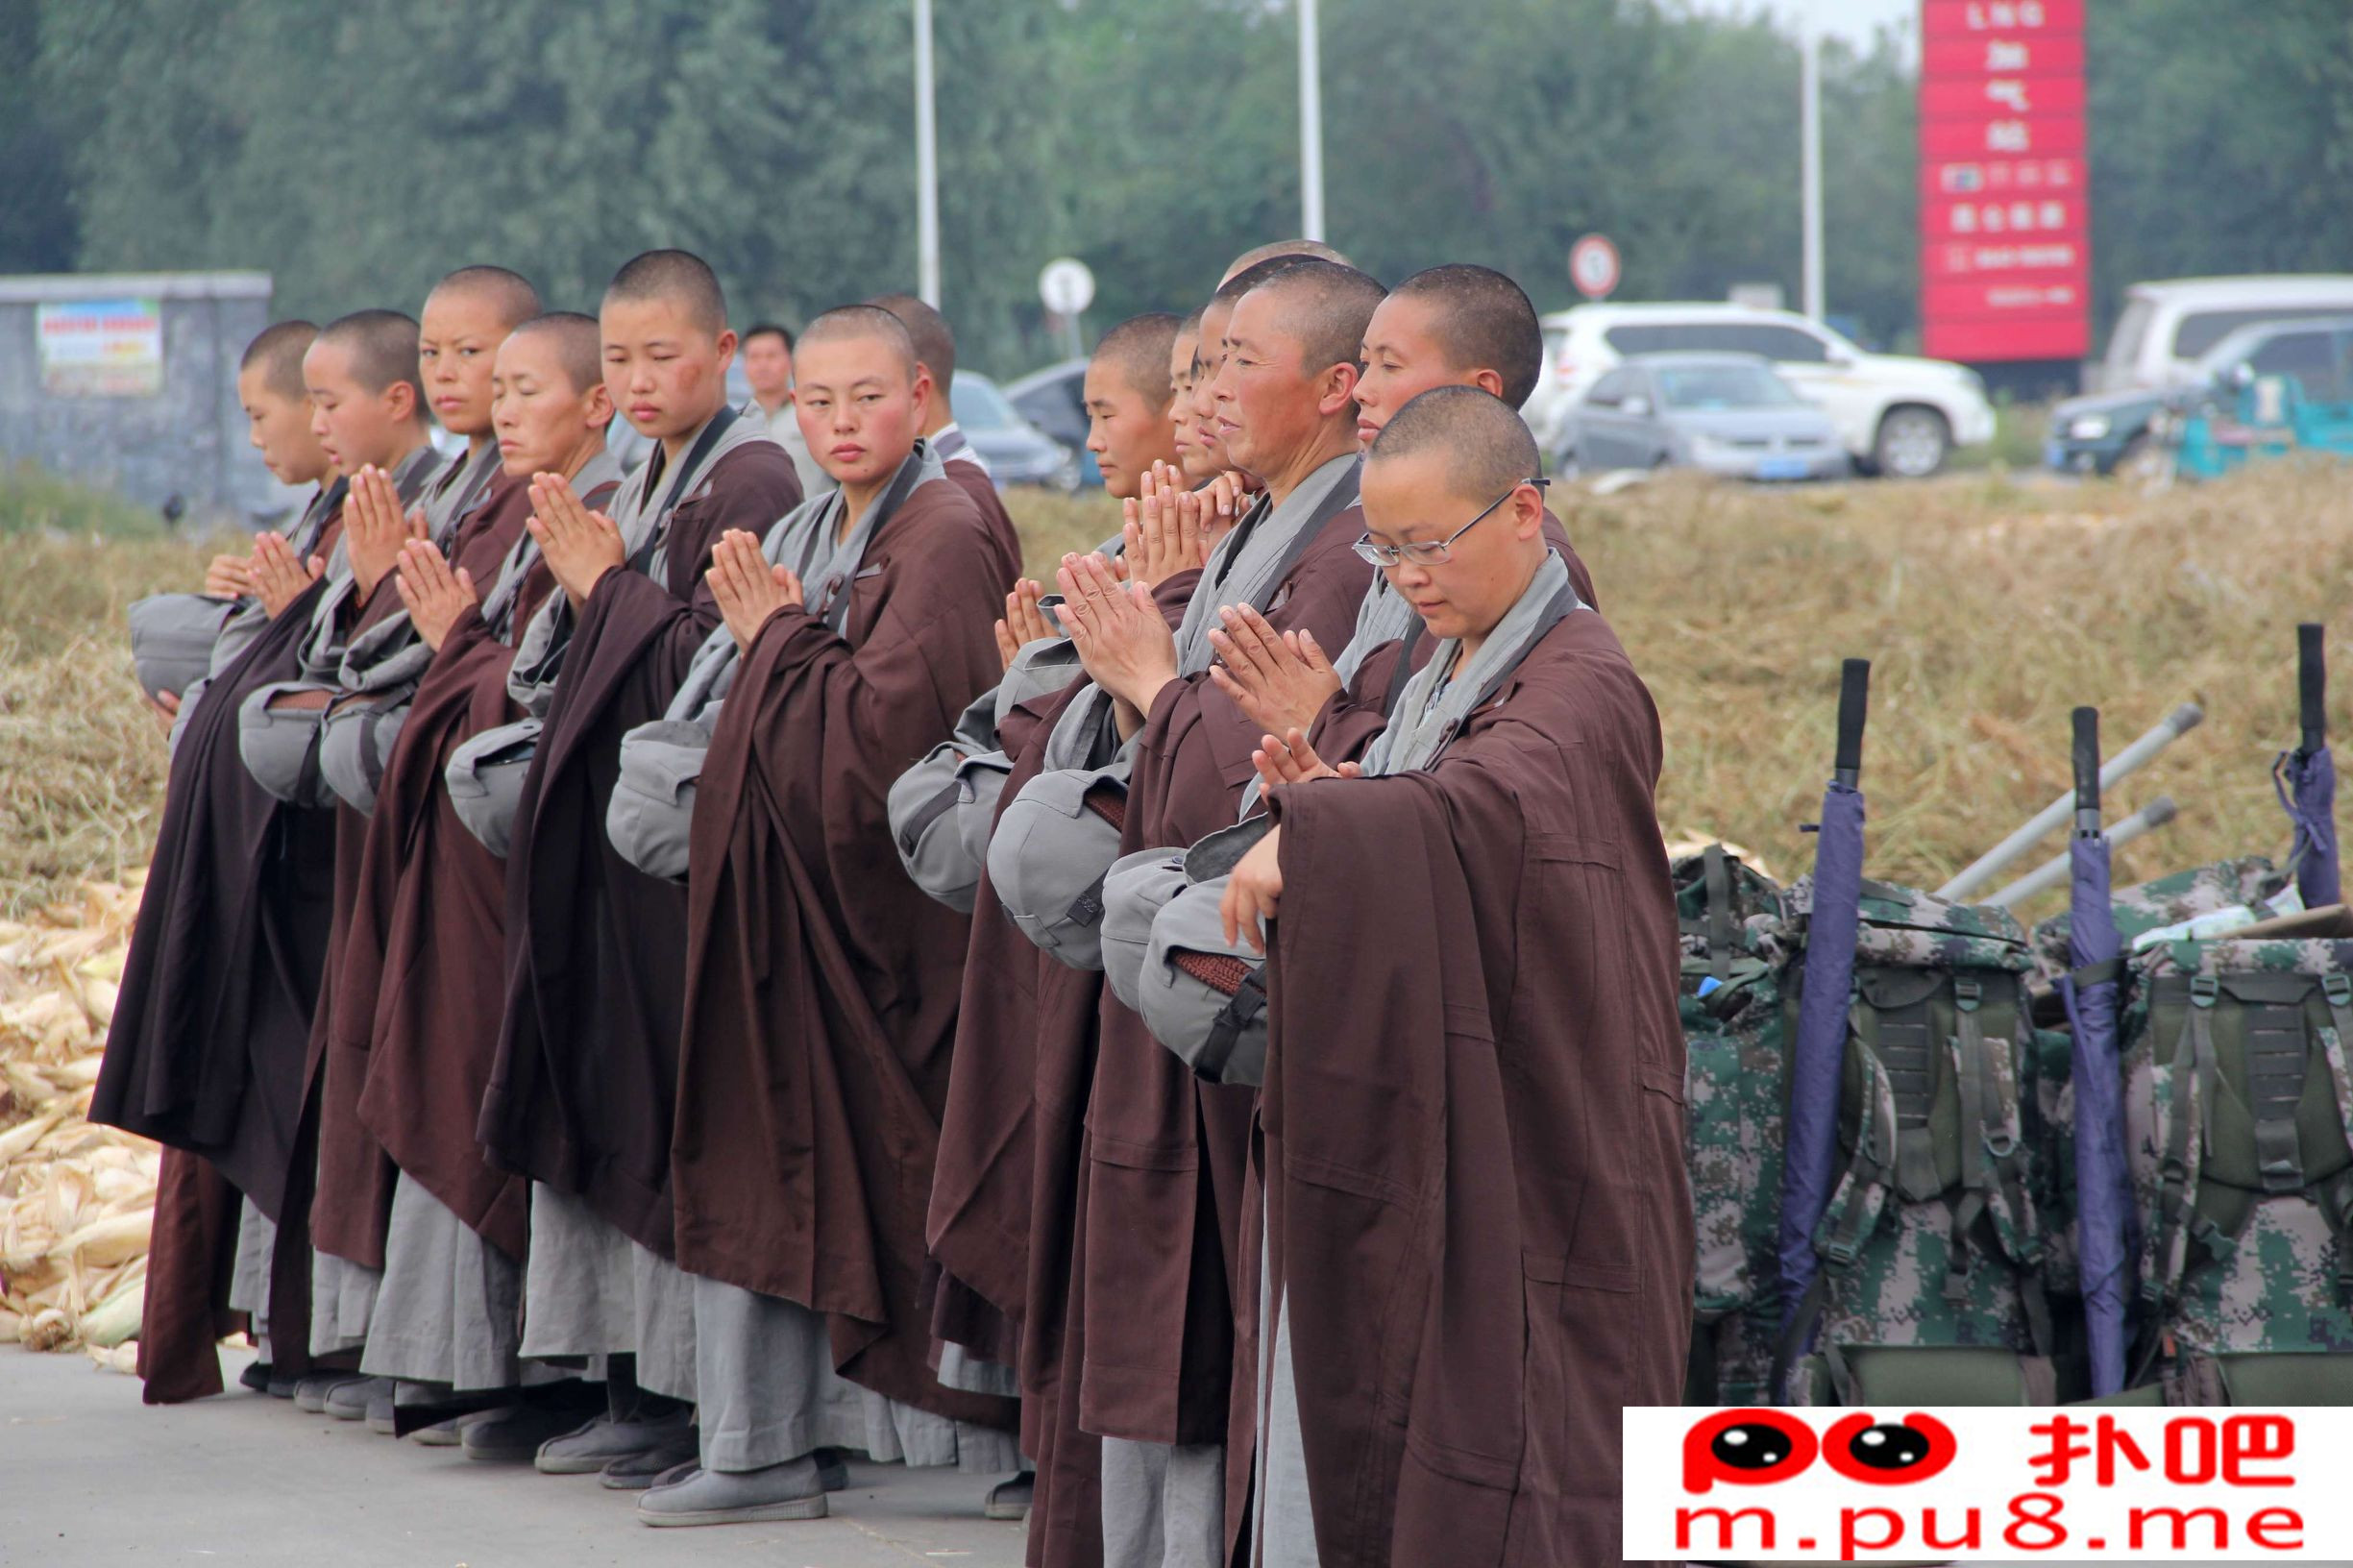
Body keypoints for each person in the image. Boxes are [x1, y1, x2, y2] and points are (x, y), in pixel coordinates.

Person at [1214, 386, 1691, 1565]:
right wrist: (1330, 797)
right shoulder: (1446, 658)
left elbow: (1491, 806)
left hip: (1554, 1120)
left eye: (1429, 544)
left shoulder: (1576, 680)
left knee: (1534, 1428)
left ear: (1523, 512)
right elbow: (1425, 810)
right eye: (1385, 548)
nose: (1407, 576)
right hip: (1462, 1096)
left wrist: (1324, 834)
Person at [640, 304, 1020, 1527]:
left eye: (866, 398)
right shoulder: (823, 521)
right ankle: (773, 1442)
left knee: (886, 1165)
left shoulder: (946, 531)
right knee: (769, 1160)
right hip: (784, 906)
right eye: (817, 401)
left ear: (919, 394)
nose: (841, 423)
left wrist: (781, 640)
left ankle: (969, 1444)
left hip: (882, 927)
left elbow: (890, 749)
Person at [1034, 256, 1385, 1568]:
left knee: (1232, 1310)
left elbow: (1277, 765)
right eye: (1202, 364)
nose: (1208, 391)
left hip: (1242, 976)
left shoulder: (1355, 552)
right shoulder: (1256, 523)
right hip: (1169, 959)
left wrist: (1151, 681)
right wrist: (1117, 665)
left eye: (1239, 363)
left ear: (1340, 387)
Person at [478, 249, 803, 1479]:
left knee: (668, 1109)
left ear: (724, 355)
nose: (640, 379)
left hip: (676, 857)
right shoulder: (658, 476)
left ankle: (675, 1399)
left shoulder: (753, 476)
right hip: (609, 851)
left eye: (666, 354)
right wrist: (588, 594)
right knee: (609, 1090)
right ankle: (622, 1378)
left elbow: (719, 669)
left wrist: (602, 588)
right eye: (620, 359)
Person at [285, 280, 538, 1427]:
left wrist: (409, 604)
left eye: (478, 354)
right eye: (436, 351)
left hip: (491, 842)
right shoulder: (453, 486)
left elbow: (503, 658)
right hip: (413, 827)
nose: (452, 375)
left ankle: (503, 1371)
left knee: (465, 1072)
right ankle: (411, 1348)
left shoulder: (558, 499)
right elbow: (391, 644)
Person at [96, 319, 348, 1406]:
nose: (284, 435)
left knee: (310, 1091)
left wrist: (293, 621)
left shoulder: (416, 508)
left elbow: (379, 664)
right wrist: (251, 624)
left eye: (276, 412)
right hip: (275, 843)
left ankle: (337, 1337)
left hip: (327, 859)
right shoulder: (330, 514)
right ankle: (291, 1329)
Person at [866, 292, 1021, 570]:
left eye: (866, 393)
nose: (842, 419)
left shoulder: (950, 501)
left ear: (917, 388)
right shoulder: (927, 484)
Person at [740, 321, 833, 499]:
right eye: (754, 357)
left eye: (771, 356)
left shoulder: (814, 415)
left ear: (791, 360)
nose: (762, 365)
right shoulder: (736, 423)